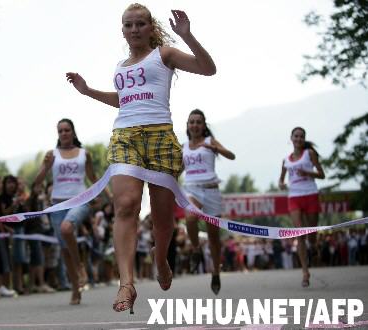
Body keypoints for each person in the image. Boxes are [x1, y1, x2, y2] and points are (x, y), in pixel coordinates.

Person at [66, 4, 216, 313]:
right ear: (123, 30)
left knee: (163, 219)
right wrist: (87, 91)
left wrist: (188, 36)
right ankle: (127, 283)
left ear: (150, 27)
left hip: (159, 137)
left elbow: (207, 68)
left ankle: (160, 259)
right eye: (128, 25)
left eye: (140, 24)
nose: (134, 29)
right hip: (125, 136)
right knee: (126, 204)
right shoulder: (121, 66)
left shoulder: (164, 54)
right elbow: (122, 101)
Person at [34, 118, 105, 305]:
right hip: (57, 204)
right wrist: (45, 165)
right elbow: (37, 182)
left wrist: (107, 194)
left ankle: (81, 266)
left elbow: (92, 177)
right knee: (65, 250)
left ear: (73, 132)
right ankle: (76, 289)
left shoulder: (84, 154)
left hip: (80, 200)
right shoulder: (52, 155)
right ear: (58, 134)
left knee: (67, 229)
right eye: (60, 131)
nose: (64, 133)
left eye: (67, 130)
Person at [182, 109, 235, 295]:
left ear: (204, 126)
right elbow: (177, 170)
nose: (195, 125)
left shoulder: (209, 142)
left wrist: (216, 149)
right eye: (191, 122)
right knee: (190, 219)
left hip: (211, 191)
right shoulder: (183, 147)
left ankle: (216, 272)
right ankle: (196, 249)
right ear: (187, 126)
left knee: (213, 238)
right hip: (191, 189)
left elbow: (231, 155)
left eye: (198, 122)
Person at [279, 126, 325, 287]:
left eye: (301, 136)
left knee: (311, 233)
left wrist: (308, 173)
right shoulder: (286, 160)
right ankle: (305, 272)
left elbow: (322, 174)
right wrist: (282, 185)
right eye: (296, 136)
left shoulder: (309, 154)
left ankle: (314, 245)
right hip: (294, 197)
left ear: (304, 139)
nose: (298, 139)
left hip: (311, 194)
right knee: (300, 234)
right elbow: (281, 181)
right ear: (291, 138)